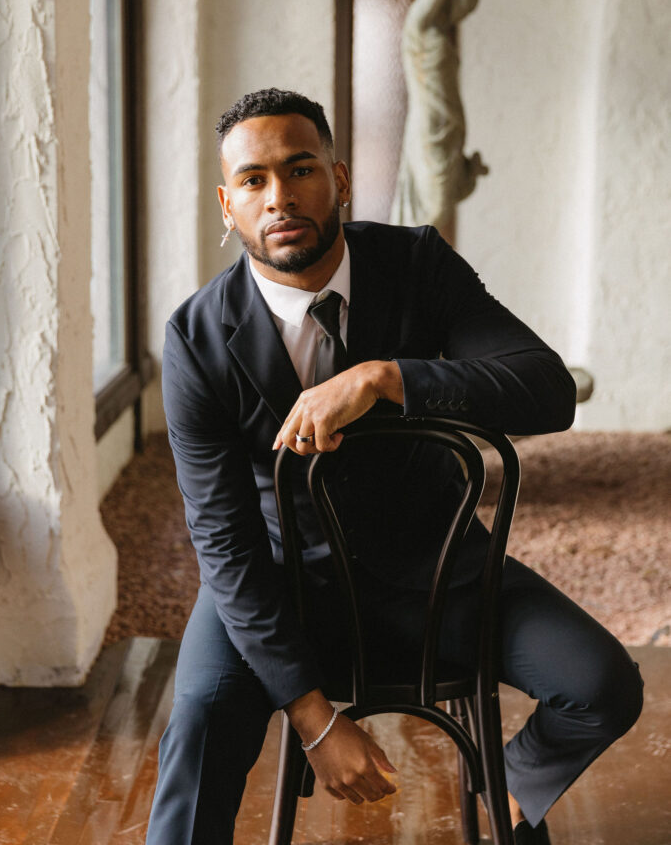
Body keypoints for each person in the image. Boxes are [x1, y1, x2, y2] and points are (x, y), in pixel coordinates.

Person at [146, 88, 642, 845]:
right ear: (227, 204)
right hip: (281, 580)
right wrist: (313, 719)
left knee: (602, 684)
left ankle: (502, 801)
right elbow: (225, 541)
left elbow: (546, 390)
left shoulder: (416, 264)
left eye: (300, 168)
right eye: (253, 180)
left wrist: (386, 377)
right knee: (199, 726)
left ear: (339, 180)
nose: (279, 197)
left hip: (437, 568)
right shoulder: (193, 340)